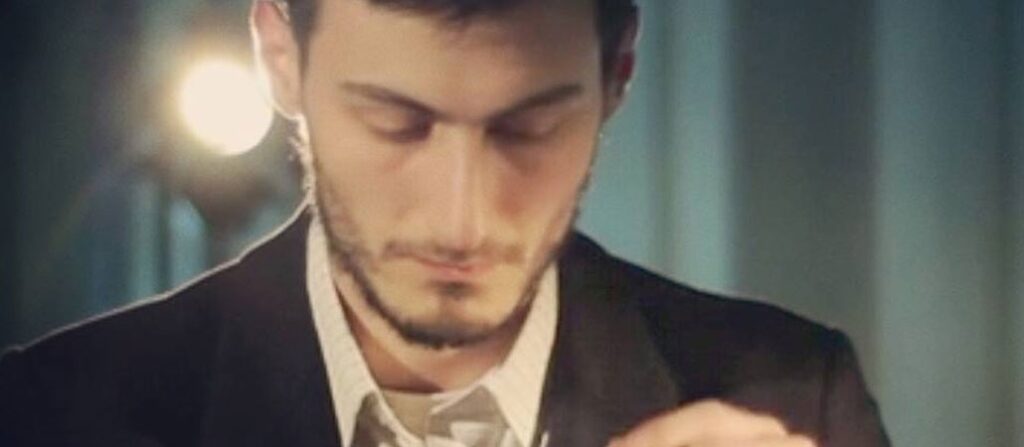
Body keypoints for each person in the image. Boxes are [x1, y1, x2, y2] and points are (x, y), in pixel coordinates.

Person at [0, 0, 889, 445]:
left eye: (527, 128)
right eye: (395, 123)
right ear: (279, 56)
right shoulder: (55, 413)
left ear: (618, 74)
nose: (461, 218)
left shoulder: (793, 395)